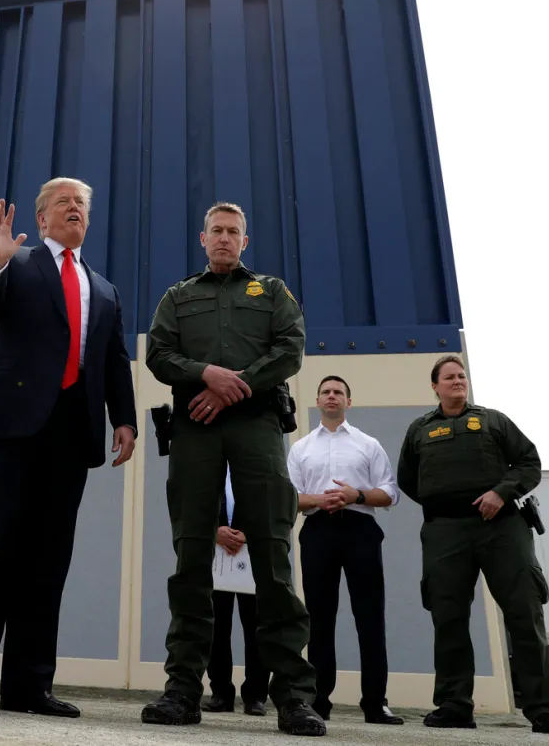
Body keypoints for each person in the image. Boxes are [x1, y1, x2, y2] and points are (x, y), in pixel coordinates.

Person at [0, 178, 137, 717]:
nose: (74, 209)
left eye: (81, 204)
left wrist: (124, 419)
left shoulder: (105, 289)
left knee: (48, 561)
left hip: (72, 433)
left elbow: (114, 360)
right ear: (42, 218)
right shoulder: (18, 263)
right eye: (63, 203)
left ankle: (28, 686)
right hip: (13, 426)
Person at [141, 202, 325, 736]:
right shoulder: (178, 296)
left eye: (233, 232)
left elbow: (290, 350)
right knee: (191, 557)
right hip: (195, 429)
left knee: (272, 556)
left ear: (245, 241)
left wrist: (231, 387)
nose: (224, 238)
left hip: (257, 426)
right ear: (203, 239)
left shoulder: (272, 291)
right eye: (216, 231)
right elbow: (158, 354)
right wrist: (206, 374)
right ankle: (182, 691)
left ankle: (293, 697)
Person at [397, 355, 549, 735]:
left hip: (501, 528)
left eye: (461, 376)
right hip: (446, 532)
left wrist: (502, 492)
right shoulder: (419, 430)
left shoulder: (493, 421)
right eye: (449, 377)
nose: (458, 381)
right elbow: (407, 479)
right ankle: (454, 705)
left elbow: (529, 462)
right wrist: (446, 504)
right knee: (448, 616)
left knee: (524, 612)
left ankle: (545, 709)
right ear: (434, 386)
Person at [287, 375, 404, 726]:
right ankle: (318, 700)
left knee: (370, 617)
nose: (332, 396)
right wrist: (319, 500)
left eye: (338, 392)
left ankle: (375, 703)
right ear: (318, 401)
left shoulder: (368, 444)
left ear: (348, 402)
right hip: (318, 531)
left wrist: (357, 495)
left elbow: (390, 492)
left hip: (360, 530)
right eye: (326, 392)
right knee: (319, 618)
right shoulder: (301, 448)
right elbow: (290, 498)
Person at [203, 467, 270, 717]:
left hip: (252, 554)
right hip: (216, 556)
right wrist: (214, 530)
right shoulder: (209, 464)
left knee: (256, 625)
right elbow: (192, 504)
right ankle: (220, 693)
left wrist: (250, 532)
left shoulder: (257, 462)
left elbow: (274, 504)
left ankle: (256, 696)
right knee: (216, 625)